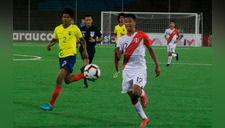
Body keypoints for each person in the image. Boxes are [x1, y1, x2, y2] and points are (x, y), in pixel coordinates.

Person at [115, 14, 160, 127]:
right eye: (126, 21)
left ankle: (142, 92)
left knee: (136, 92)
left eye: (130, 21)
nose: (128, 23)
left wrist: (157, 65)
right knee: (132, 96)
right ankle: (145, 118)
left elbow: (150, 49)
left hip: (139, 68)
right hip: (127, 69)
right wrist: (117, 54)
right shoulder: (121, 39)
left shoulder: (142, 35)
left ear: (134, 23)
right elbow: (118, 57)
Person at [40, 7, 89, 111]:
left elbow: (83, 40)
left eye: (67, 17)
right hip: (61, 57)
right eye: (64, 17)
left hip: (71, 56)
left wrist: (85, 50)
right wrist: (50, 44)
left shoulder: (75, 28)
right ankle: (86, 75)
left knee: (59, 79)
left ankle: (50, 104)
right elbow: (55, 39)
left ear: (71, 19)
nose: (65, 19)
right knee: (68, 80)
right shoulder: (58, 29)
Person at [79, 14, 103, 88]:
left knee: (88, 65)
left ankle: (83, 70)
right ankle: (85, 83)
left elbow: (101, 38)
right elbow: (77, 37)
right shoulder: (81, 29)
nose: (88, 21)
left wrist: (95, 40)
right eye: (87, 20)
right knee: (86, 64)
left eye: (89, 20)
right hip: (83, 49)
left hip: (92, 50)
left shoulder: (95, 29)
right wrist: (77, 42)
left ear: (91, 20)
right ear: (85, 21)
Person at [110, 13, 127, 78]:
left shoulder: (126, 26)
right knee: (116, 58)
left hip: (125, 45)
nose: (121, 19)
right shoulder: (116, 27)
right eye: (120, 18)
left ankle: (125, 71)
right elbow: (115, 34)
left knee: (126, 58)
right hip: (117, 45)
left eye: (122, 18)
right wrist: (112, 38)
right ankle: (117, 71)